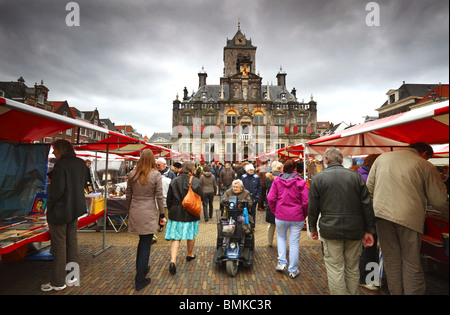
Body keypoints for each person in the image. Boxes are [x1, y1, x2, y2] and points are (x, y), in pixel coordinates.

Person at [366, 142, 449, 295]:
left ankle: (395, 292)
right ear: (425, 153)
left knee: (391, 260)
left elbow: (369, 190)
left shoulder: (382, 159)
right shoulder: (424, 164)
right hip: (409, 217)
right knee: (411, 261)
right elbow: (439, 201)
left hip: (382, 215)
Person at [308, 147, 375, 295]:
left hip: (330, 229)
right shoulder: (355, 176)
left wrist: (312, 227)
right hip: (355, 229)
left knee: (335, 268)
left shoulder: (318, 178)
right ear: (341, 160)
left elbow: (313, 207)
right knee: (352, 267)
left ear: (325, 160)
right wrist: (369, 230)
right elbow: (366, 204)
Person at [42, 140, 88, 292]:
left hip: (61, 211)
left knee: (59, 246)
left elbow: (57, 191)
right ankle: (72, 277)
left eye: (54, 149)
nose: (53, 152)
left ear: (61, 150)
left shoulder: (61, 164)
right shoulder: (81, 163)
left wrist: (50, 206)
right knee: (72, 243)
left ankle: (57, 282)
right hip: (75, 209)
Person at [126, 149, 165, 291]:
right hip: (148, 211)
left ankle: (142, 270)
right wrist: (162, 214)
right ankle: (140, 280)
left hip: (136, 210)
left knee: (142, 243)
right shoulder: (156, 175)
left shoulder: (132, 174)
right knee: (146, 245)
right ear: (153, 160)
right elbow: (159, 196)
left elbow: (128, 195)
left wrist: (129, 210)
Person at [267, 159, 309, 279]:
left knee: (281, 238)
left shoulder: (277, 181)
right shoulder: (300, 182)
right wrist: (304, 214)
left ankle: (282, 263)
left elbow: (270, 198)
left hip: (281, 215)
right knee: (294, 242)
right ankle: (293, 269)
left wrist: (275, 211)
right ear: (295, 169)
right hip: (297, 216)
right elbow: (306, 201)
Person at [165, 161, 203, 275]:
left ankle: (173, 260)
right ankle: (189, 254)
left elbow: (169, 199)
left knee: (175, 237)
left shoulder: (174, 180)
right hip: (190, 212)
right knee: (191, 234)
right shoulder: (196, 181)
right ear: (192, 169)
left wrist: (171, 210)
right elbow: (202, 196)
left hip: (176, 212)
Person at [357, 154, 380, 291]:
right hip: (368, 218)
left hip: (364, 218)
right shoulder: (367, 177)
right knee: (369, 248)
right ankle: (367, 279)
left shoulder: (360, 175)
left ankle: (371, 277)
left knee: (369, 248)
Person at [265, 161, 283, 247]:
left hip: (271, 202)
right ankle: (281, 242)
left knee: (271, 225)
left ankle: (269, 242)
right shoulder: (283, 177)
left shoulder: (269, 177)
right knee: (281, 226)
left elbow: (268, 189)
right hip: (281, 202)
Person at [156, 157, 174, 233]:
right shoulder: (155, 173)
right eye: (157, 165)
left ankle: (167, 229)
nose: (157, 166)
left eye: (159, 165)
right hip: (157, 200)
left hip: (167, 199)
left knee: (166, 215)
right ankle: (160, 226)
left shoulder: (171, 174)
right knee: (158, 215)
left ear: (164, 165)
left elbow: (174, 186)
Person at [241, 163, 261, 229]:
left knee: (253, 212)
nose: (251, 171)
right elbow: (241, 187)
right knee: (246, 212)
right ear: (247, 170)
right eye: (249, 170)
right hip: (245, 198)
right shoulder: (243, 177)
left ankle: (252, 226)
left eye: (252, 170)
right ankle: (246, 225)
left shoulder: (256, 177)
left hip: (254, 197)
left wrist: (257, 196)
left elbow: (259, 188)